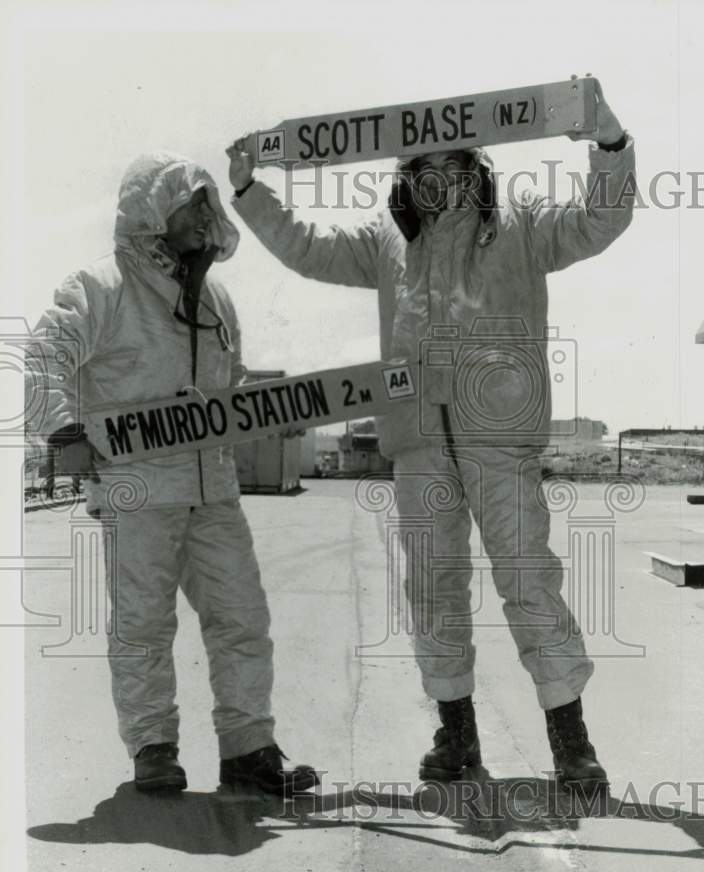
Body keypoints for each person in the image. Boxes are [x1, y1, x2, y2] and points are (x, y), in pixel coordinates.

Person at [227, 77, 635, 794]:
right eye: (418, 172)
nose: (434, 183)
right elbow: (307, 249)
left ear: (475, 169)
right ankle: (458, 737)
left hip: (499, 440)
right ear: (404, 181)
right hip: (418, 445)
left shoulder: (525, 223)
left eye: (448, 168)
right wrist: (251, 193)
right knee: (433, 590)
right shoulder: (386, 242)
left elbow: (599, 222)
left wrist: (610, 144)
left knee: (529, 583)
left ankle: (572, 742)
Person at [27, 152, 318, 796]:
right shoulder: (100, 288)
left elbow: (231, 383)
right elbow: (41, 357)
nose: (205, 218)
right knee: (144, 625)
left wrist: (257, 413)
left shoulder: (214, 299)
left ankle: (248, 748)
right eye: (192, 204)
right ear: (153, 210)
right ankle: (153, 746)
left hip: (213, 491)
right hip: (137, 490)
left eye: (210, 205)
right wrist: (63, 430)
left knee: (242, 618)